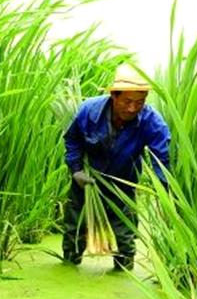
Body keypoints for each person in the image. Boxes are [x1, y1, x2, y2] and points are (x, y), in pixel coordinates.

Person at [62, 64, 171, 271]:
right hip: (86, 182)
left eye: (139, 102)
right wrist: (76, 171)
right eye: (127, 101)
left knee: (124, 236)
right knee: (74, 230)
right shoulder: (89, 111)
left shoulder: (152, 122)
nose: (132, 108)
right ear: (114, 95)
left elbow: (161, 160)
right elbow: (73, 140)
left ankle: (124, 269)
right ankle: (69, 266)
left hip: (123, 184)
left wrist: (164, 192)